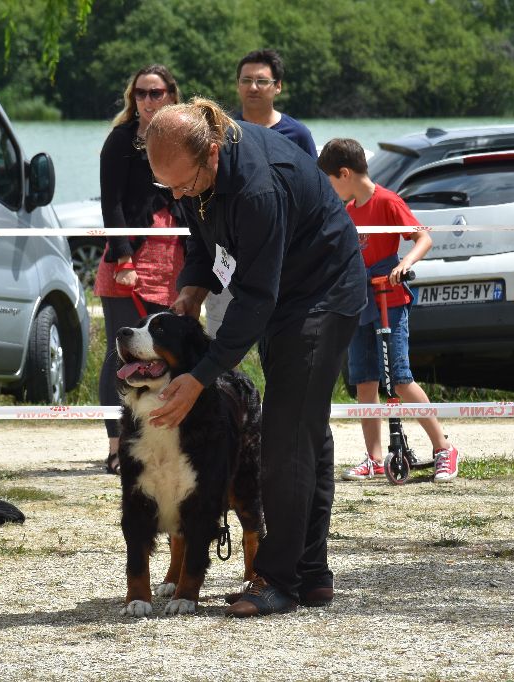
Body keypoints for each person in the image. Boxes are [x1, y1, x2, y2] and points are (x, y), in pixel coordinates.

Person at [144, 98, 365, 617]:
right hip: (286, 293)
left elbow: (256, 298)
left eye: (183, 184)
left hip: (323, 292)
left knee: (286, 434)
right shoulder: (191, 169)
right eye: (166, 187)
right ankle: (311, 572)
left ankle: (278, 580)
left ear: (214, 153)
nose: (176, 194)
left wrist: (200, 375)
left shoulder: (257, 186)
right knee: (304, 428)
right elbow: (203, 239)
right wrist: (192, 288)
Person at [317, 138, 460, 483]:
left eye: (331, 181)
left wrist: (404, 264)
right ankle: (375, 458)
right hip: (359, 301)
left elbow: (422, 237)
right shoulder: (349, 212)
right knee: (364, 382)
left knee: (400, 377)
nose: (331, 190)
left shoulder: (387, 201)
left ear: (345, 174)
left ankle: (443, 448)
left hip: (389, 301)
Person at [95, 65, 185, 474]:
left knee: (168, 354)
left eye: (157, 93)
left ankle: (159, 438)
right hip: (130, 256)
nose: (149, 100)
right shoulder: (119, 140)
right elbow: (110, 203)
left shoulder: (183, 135)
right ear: (134, 97)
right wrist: (123, 258)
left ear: (171, 95)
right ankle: (117, 446)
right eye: (142, 93)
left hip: (175, 256)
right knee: (121, 356)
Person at [204, 48, 317, 338]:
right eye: (246, 80)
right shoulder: (220, 131)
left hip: (285, 259)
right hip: (230, 255)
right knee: (222, 340)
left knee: (283, 345)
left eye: (262, 81)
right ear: (237, 84)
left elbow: (313, 195)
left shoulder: (298, 135)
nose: (253, 87)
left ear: (278, 86)